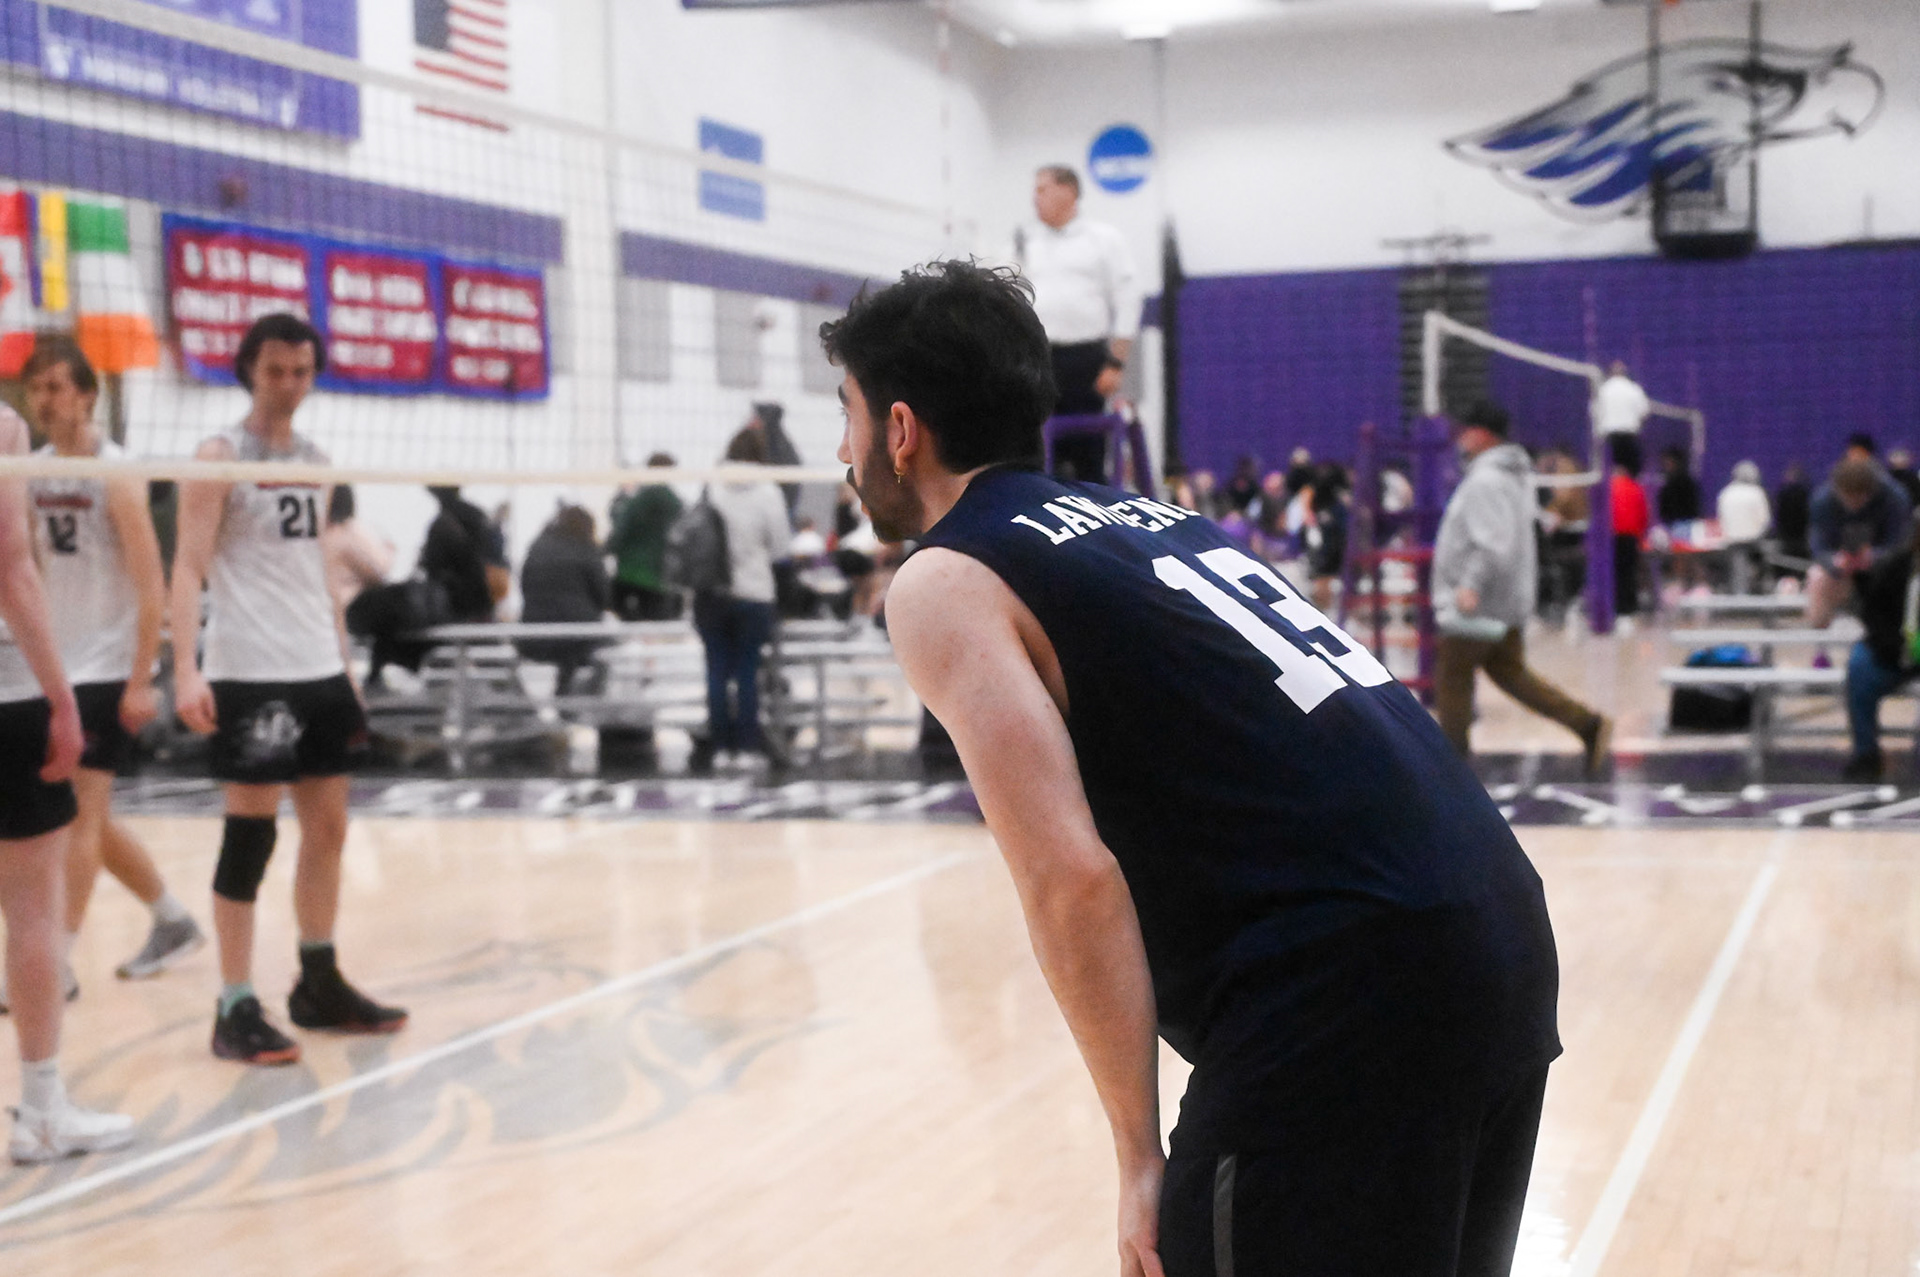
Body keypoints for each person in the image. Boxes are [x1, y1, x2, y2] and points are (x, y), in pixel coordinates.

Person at [823, 261, 1559, 1277]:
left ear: (900, 428)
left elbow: (1070, 878)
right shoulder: (1155, 518)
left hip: (1348, 983)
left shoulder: (944, 578)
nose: (845, 448)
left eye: (849, 412)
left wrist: (1137, 1151)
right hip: (1498, 931)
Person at [169, 313, 407, 1066]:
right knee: (251, 836)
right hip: (249, 669)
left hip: (316, 666)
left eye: (301, 372)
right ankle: (234, 1002)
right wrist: (185, 669)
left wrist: (345, 668)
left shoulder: (316, 460)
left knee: (329, 829)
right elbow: (188, 565)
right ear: (249, 369)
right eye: (275, 370)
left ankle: (319, 980)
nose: (288, 385)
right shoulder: (218, 456)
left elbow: (317, 572)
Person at [16, 340, 204, 1000]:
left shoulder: (118, 471)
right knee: (79, 814)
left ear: (88, 395)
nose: (44, 401)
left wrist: (140, 677)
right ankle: (173, 920)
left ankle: (57, 963)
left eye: (56, 388)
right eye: (36, 389)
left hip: (107, 665)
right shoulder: (29, 469)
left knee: (81, 817)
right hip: (55, 666)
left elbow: (152, 583)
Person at [0, 401, 136, 1164]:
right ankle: (44, 1109)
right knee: (33, 906)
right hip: (7, 694)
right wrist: (62, 696)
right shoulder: (4, 427)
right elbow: (12, 567)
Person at [1432, 401, 1612, 771]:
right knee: (1512, 675)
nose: (1461, 438)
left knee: (1452, 679)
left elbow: (1491, 543)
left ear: (1482, 434)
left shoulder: (1485, 481)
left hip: (1479, 604)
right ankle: (1587, 724)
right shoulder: (1515, 477)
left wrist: (1470, 585)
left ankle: (1450, 770)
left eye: (1466, 430)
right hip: (1506, 598)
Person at [1015, 164, 1140, 484]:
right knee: (1036, 454)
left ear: (1067, 191)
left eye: (1042, 189)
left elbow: (1128, 299)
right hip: (1039, 359)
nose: (1035, 198)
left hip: (1086, 361)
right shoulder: (1026, 242)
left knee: (1088, 455)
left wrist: (1116, 362)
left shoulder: (1103, 239)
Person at [695, 427, 792, 769]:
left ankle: (721, 749)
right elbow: (780, 548)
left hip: (712, 592)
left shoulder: (711, 485)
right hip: (754, 592)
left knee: (716, 672)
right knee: (748, 671)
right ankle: (748, 749)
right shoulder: (768, 490)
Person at [1840, 512, 1920, 781]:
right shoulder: (1895, 566)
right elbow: (1872, 612)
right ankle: (1866, 754)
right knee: (1859, 666)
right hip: (1892, 652)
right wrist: (1894, 647)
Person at [1805, 456, 1912, 628]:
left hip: (1885, 571)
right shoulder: (1822, 500)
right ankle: (1819, 632)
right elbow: (1818, 547)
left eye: (1859, 499)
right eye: (1848, 499)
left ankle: (1887, 632)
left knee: (1899, 576)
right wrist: (1835, 560)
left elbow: (1900, 543)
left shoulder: (1895, 498)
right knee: (1817, 576)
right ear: (1837, 491)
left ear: (1871, 492)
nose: (1854, 506)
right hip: (1841, 570)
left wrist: (1875, 557)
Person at [517, 504, 612, 695]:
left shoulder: (538, 546)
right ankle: (581, 700)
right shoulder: (586, 548)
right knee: (609, 650)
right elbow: (603, 595)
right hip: (578, 635)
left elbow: (524, 585)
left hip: (533, 635)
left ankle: (563, 696)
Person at [605, 453, 683, 620]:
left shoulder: (636, 500)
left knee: (624, 622)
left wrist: (604, 551)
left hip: (628, 572)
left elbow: (620, 530)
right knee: (655, 626)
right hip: (659, 576)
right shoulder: (675, 503)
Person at [421, 484, 507, 624]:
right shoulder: (477, 516)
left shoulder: (442, 525)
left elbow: (432, 566)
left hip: (453, 604)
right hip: (481, 601)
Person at [321, 484, 393, 615]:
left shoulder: (318, 535)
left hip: (324, 605)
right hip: (352, 608)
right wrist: (390, 551)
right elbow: (379, 570)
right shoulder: (350, 532)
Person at [1715, 460, 1771, 594]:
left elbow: (1721, 519)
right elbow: (1765, 520)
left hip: (1730, 541)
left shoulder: (1725, 493)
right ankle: (1758, 588)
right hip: (1753, 542)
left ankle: (1734, 589)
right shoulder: (1757, 492)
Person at [1591, 359, 1649, 476]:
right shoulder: (1633, 388)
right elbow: (1644, 411)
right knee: (1631, 471)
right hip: (1629, 435)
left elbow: (1595, 412)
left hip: (1610, 437)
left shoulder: (1603, 390)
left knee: (1614, 470)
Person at [1610, 460, 1651, 621]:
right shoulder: (1636, 487)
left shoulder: (1609, 489)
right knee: (1630, 572)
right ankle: (1630, 606)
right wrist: (1641, 536)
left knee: (1616, 572)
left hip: (1613, 536)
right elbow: (1643, 515)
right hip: (1631, 536)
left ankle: (1617, 606)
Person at [1775, 462, 1812, 563]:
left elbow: (1779, 515)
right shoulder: (1805, 492)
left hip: (1788, 536)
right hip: (1800, 536)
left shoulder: (1783, 493)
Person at [1655, 446, 1702, 525]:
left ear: (1678, 463)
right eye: (1665, 463)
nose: (1667, 467)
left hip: (1686, 524)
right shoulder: (1666, 487)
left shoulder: (1688, 485)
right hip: (1671, 525)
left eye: (1670, 463)